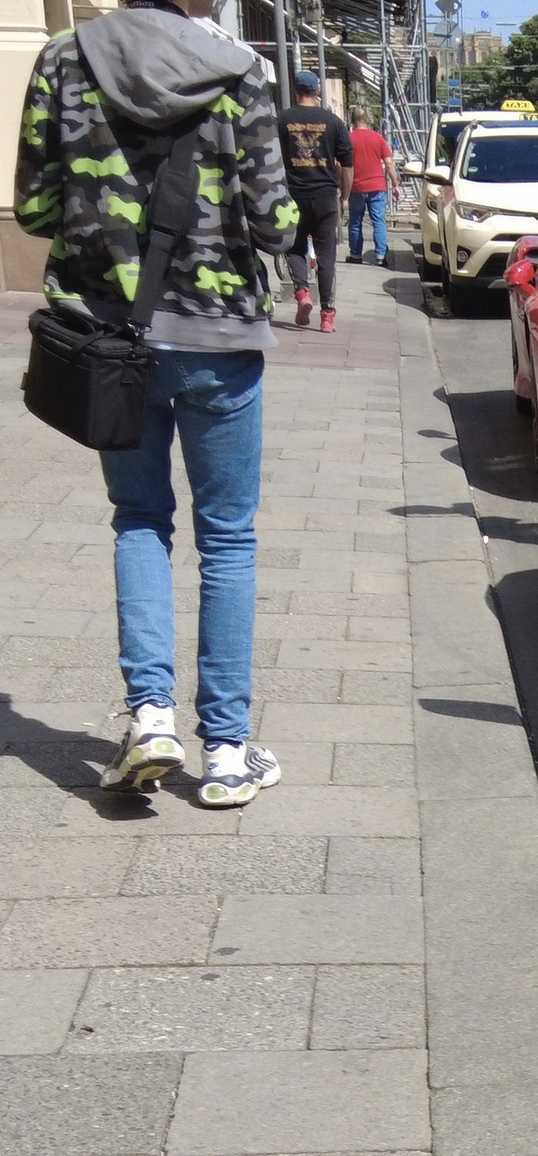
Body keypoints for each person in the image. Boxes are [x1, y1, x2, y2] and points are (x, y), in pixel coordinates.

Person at [14, 0, 297, 805]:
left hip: (111, 344)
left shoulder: (63, 58)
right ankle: (230, 751)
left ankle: (150, 717)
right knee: (228, 539)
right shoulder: (240, 69)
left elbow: (34, 207)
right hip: (219, 341)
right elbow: (275, 223)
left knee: (139, 519)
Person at [278, 71, 351, 329]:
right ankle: (328, 315)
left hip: (293, 195)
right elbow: (347, 164)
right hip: (325, 196)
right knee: (326, 256)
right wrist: (345, 195)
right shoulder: (333, 122)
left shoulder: (282, 120)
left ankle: (302, 293)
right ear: (318, 91)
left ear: (296, 90)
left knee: (294, 246)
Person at [346, 105, 392, 264]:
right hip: (377, 186)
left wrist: (342, 186)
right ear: (367, 121)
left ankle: (355, 255)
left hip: (356, 186)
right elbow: (389, 163)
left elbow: (341, 165)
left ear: (353, 122)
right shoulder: (378, 138)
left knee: (355, 222)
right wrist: (396, 183)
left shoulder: (349, 139)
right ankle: (380, 257)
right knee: (379, 221)